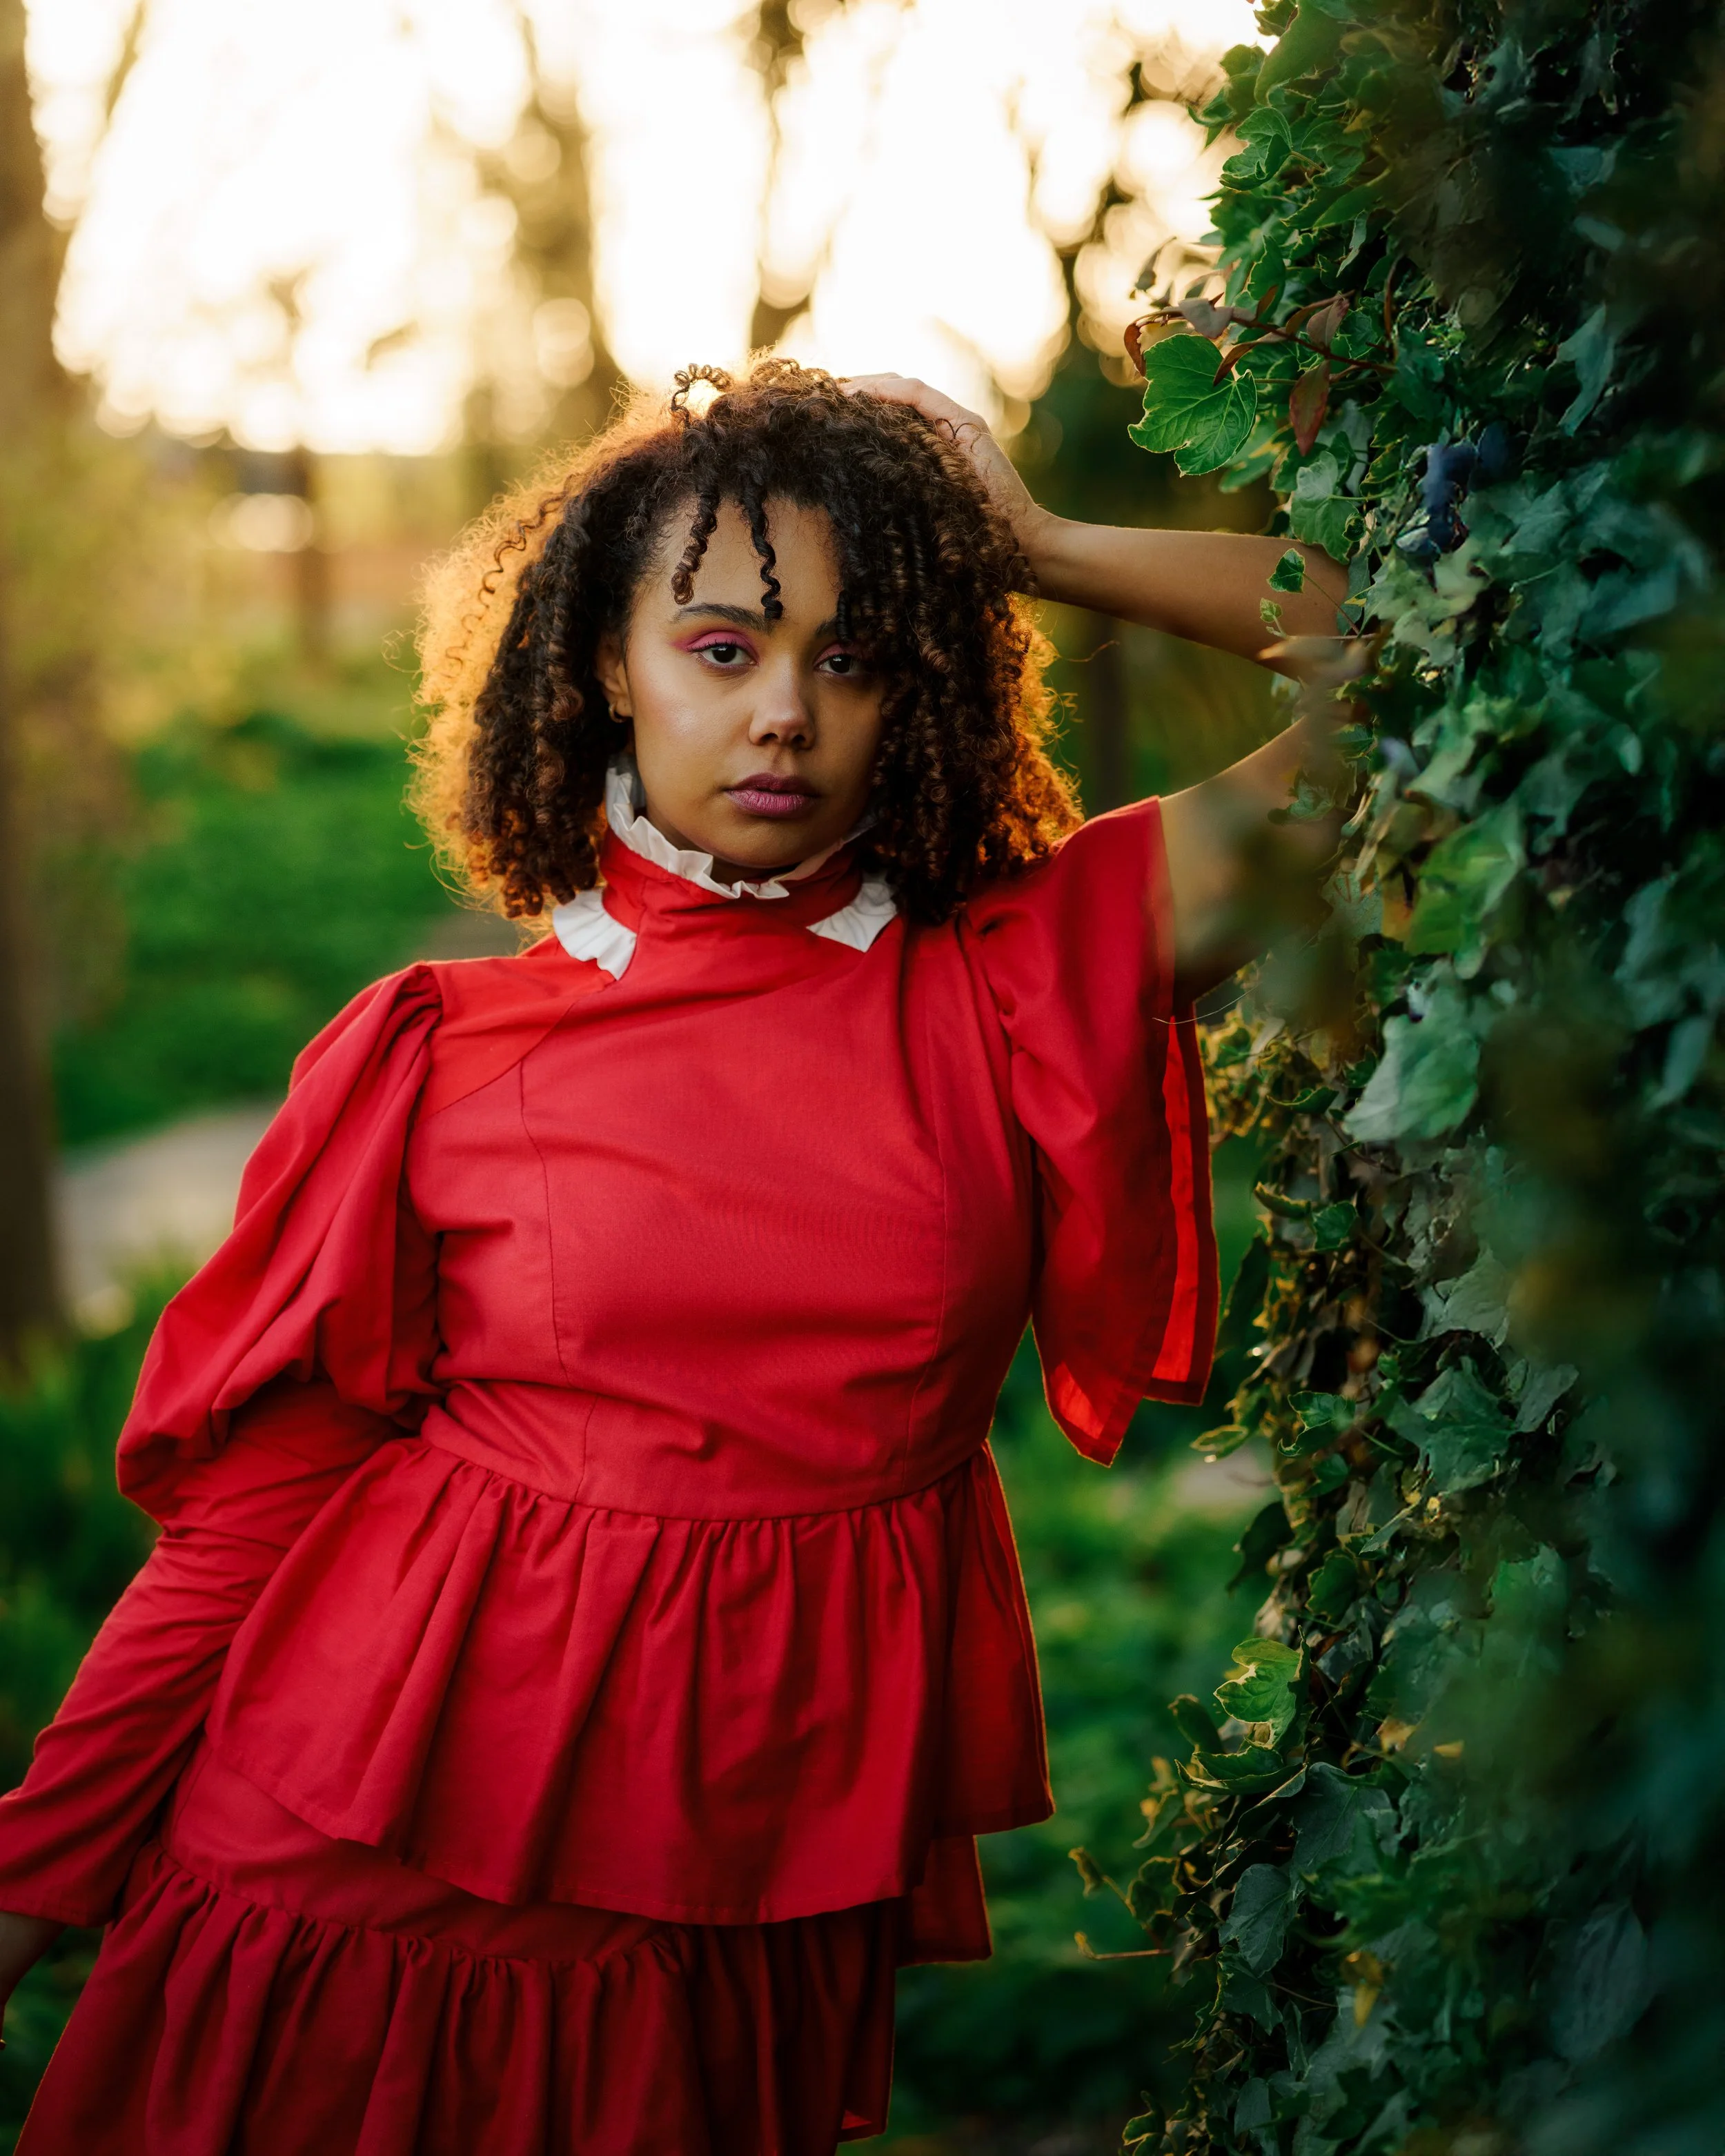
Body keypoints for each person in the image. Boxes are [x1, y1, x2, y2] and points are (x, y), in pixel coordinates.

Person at [0, 358, 1348, 2154]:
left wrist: (1025, 539)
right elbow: (254, 1506)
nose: (782, 711)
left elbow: (1421, 661)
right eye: (721, 648)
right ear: (603, 672)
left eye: (850, 654)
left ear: (922, 682)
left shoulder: (1022, 970)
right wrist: (32, 1882)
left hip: (757, 1882)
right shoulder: (435, 1044)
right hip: (373, 1858)